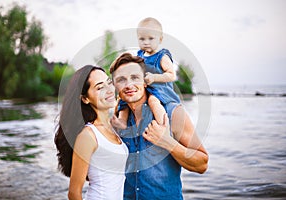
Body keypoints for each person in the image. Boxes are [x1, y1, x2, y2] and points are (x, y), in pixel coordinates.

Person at [110, 53, 208, 199]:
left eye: (135, 77)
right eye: (121, 80)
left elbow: (202, 164)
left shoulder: (172, 113)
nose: (129, 85)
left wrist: (167, 141)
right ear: (115, 86)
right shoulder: (117, 121)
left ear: (145, 81)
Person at [54, 65, 128, 200]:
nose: (109, 90)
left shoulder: (112, 128)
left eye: (109, 83)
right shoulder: (88, 135)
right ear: (85, 99)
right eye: (100, 87)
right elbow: (74, 193)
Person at [113, 17, 180, 130]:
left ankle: (163, 125)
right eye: (142, 39)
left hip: (160, 90)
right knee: (123, 102)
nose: (146, 42)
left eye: (150, 38)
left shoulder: (162, 57)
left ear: (160, 39)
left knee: (152, 101)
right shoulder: (140, 55)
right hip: (146, 89)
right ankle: (122, 121)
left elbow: (172, 75)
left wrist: (154, 77)